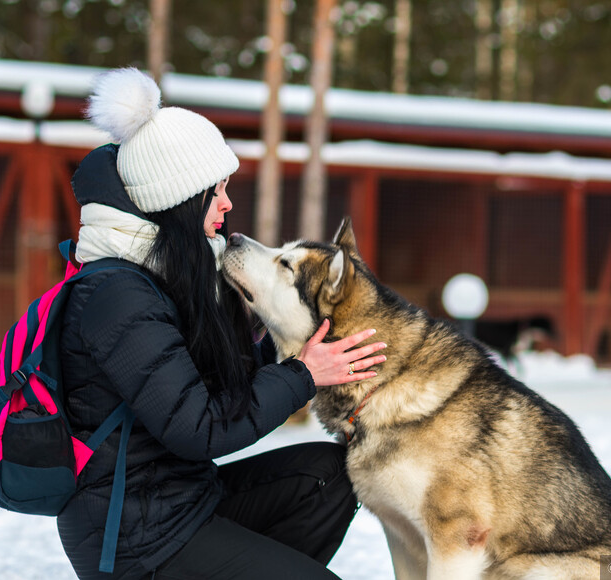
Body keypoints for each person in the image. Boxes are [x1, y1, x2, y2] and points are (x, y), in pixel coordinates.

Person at [57, 67, 387, 579]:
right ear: (178, 199)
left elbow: (217, 381)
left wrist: (293, 349)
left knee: (331, 475)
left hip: (185, 501)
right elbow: (199, 427)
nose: (228, 204)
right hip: (133, 538)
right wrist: (301, 375)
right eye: (216, 191)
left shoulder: (165, 274)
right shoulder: (117, 295)